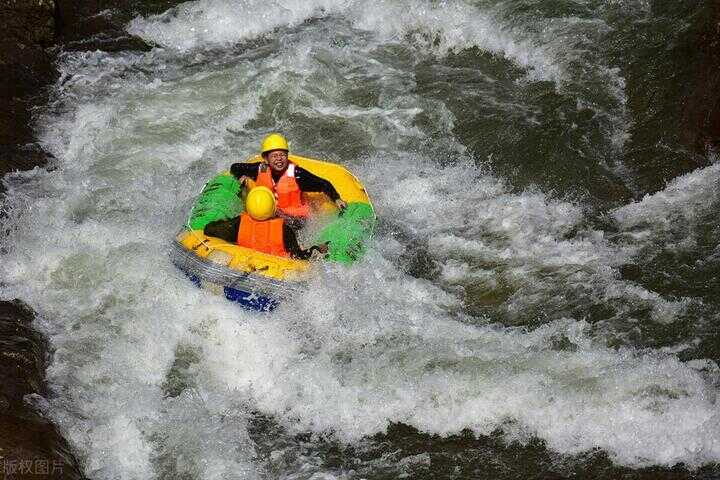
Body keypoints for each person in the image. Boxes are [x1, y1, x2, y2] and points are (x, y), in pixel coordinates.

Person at [230, 133, 347, 223]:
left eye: (282, 155)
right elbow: (235, 167)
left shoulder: (297, 174)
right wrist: (242, 177)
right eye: (275, 156)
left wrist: (337, 199)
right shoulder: (260, 169)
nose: (279, 159)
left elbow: (323, 184)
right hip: (266, 213)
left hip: (295, 219)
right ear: (266, 159)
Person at [204, 186, 327, 260]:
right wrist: (315, 249)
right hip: (275, 271)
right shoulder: (284, 229)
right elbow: (298, 256)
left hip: (246, 264)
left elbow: (209, 230)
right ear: (273, 208)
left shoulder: (238, 223)